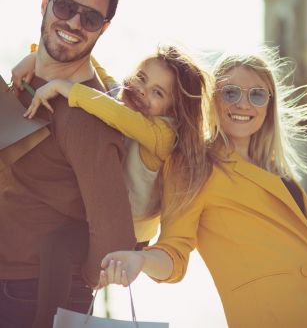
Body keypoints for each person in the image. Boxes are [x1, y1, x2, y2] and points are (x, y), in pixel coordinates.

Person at [99, 49, 307, 328]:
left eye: (257, 95)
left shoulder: (279, 173)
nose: (244, 104)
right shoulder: (194, 166)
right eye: (231, 92)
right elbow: (174, 253)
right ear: (213, 100)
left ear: (268, 104)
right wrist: (141, 260)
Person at [11, 44, 211, 327]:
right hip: (105, 217)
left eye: (158, 92)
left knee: (58, 246)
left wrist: (64, 87)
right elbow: (99, 72)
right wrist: (35, 56)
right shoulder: (127, 101)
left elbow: (116, 114)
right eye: (141, 78)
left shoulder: (164, 135)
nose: (142, 90)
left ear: (173, 111)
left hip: (129, 237)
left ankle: (46, 322)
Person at [0, 0, 137, 328]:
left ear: (103, 29)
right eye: (65, 8)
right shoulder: (27, 79)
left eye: (91, 18)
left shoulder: (86, 116)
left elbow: (114, 236)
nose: (75, 23)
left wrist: (74, 290)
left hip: (29, 294)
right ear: (44, 3)